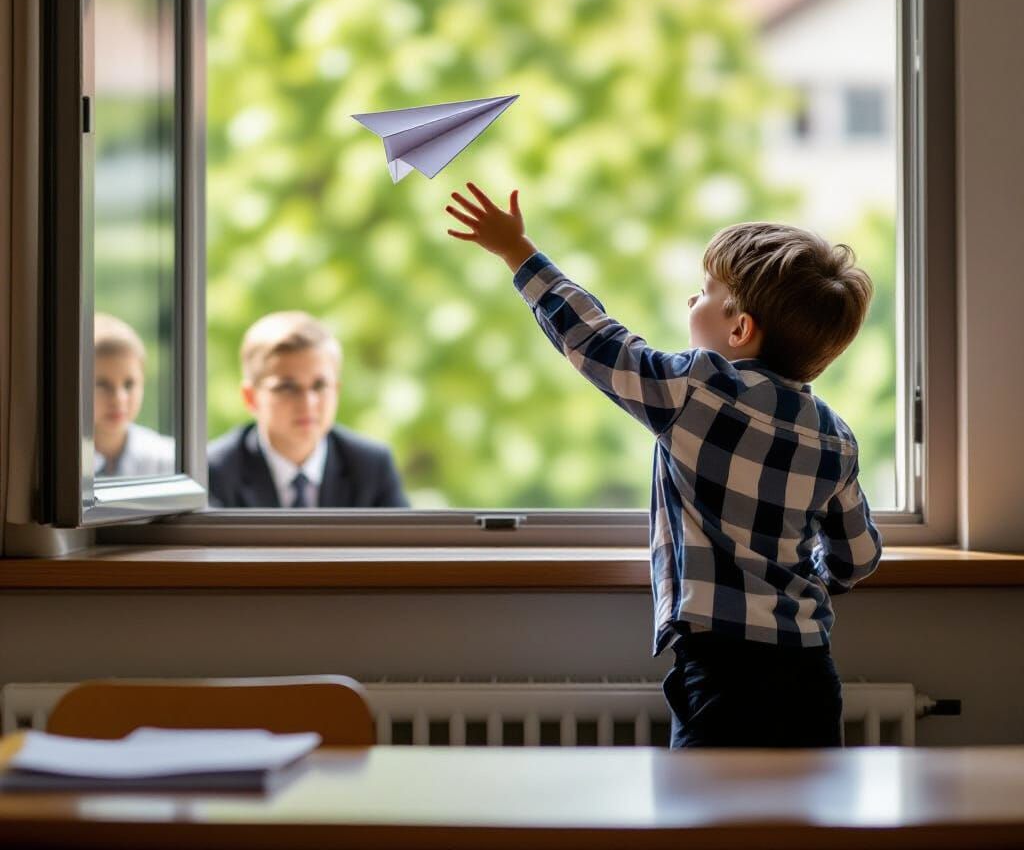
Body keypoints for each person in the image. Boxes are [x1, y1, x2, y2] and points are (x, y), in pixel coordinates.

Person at [445, 182, 883, 749]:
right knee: (800, 830)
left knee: (708, 826)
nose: (690, 303)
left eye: (703, 292)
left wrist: (519, 253)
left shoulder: (695, 389)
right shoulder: (835, 437)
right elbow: (860, 556)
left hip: (722, 673)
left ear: (739, 328)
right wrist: (815, 580)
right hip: (810, 672)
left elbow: (597, 342)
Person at [207, 310, 409, 508]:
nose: (307, 403)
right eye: (287, 387)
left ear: (336, 391)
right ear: (251, 397)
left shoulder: (372, 467)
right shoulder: (214, 471)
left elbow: (405, 541)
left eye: (319, 386)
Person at [93, 313, 176, 477]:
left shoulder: (167, 460)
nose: (119, 398)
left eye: (129, 384)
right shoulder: (60, 461)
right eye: (102, 385)